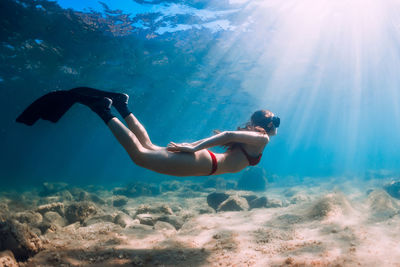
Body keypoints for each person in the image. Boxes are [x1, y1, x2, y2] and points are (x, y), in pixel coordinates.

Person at [16, 87, 280, 176]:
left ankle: (121, 105)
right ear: (267, 127)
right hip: (205, 162)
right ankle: (102, 108)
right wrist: (193, 148)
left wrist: (194, 145)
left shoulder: (256, 137)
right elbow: (227, 137)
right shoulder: (262, 138)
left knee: (148, 145)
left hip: (205, 157)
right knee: (140, 156)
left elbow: (227, 137)